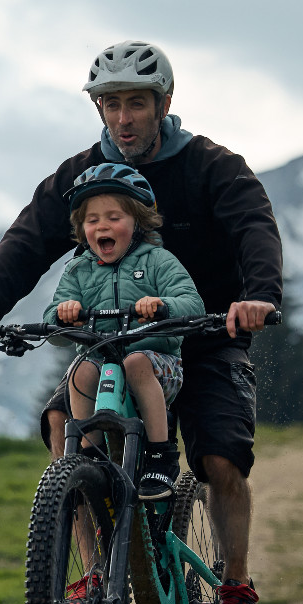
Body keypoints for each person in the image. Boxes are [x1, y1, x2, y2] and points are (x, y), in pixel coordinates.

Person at [0, 40, 283, 604]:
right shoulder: (82, 178)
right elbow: (27, 241)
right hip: (115, 341)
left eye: (137, 103)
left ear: (164, 103)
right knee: (61, 418)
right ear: (99, 110)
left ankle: (235, 586)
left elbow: (253, 228)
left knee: (219, 458)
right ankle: (95, 572)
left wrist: (258, 295)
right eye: (111, 105)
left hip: (206, 334)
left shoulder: (213, 167)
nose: (124, 118)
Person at [44, 162, 205, 502]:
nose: (103, 225)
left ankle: (162, 454)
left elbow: (192, 303)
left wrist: (162, 305)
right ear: (82, 229)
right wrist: (62, 315)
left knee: (135, 363)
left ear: (138, 222)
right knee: (79, 370)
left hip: (157, 365)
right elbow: (52, 322)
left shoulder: (158, 260)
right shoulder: (77, 270)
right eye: (92, 220)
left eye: (114, 217)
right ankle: (89, 457)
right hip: (103, 363)